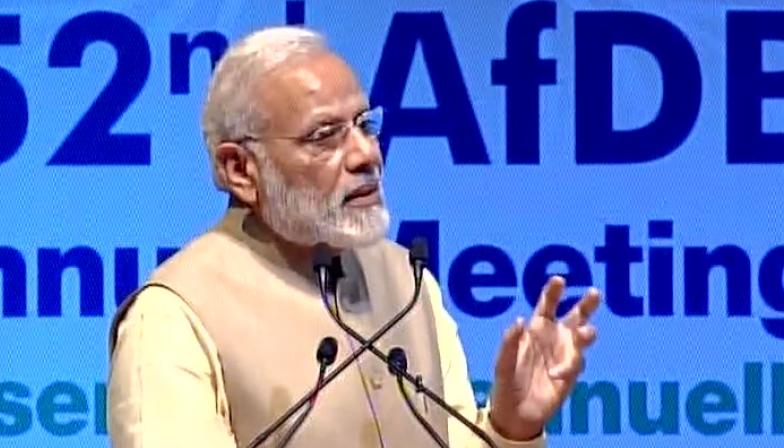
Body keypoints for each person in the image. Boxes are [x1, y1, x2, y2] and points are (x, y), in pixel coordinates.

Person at [107, 26, 601, 448]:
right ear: (240, 169)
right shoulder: (174, 315)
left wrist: (511, 427)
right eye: (325, 136)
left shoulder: (406, 282)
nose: (367, 154)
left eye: (365, 125)